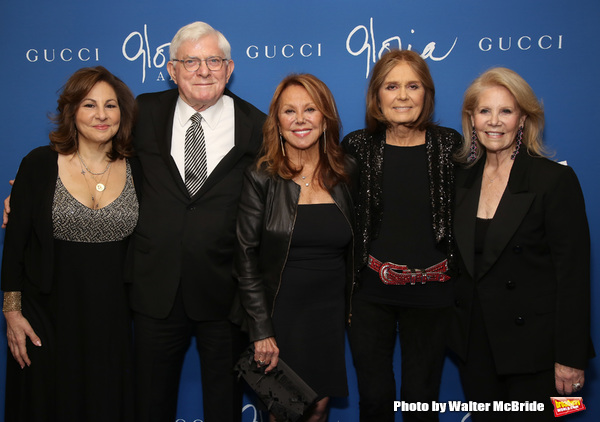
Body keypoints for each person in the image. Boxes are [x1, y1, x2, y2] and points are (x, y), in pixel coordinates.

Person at [129, 21, 265, 422]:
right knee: (149, 404)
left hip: (225, 291)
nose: (203, 70)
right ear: (172, 70)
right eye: (191, 61)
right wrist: (39, 185)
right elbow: (93, 147)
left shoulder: (257, 124)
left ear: (229, 67)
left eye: (213, 60)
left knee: (224, 404)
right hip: (156, 288)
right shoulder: (142, 112)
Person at [450, 67, 593, 421]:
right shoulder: (460, 180)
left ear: (523, 119)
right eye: (484, 111)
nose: (494, 122)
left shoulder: (554, 179)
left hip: (537, 353)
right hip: (476, 350)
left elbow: (573, 276)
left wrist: (571, 357)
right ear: (471, 119)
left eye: (506, 111)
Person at [1, 66, 139, 421]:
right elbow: (14, 246)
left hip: (112, 318)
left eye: (111, 105)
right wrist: (12, 313)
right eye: (89, 105)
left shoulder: (140, 167)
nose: (101, 115)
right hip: (45, 316)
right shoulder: (39, 164)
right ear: (72, 111)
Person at [342, 50, 460, 422]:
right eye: (391, 86)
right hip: (370, 293)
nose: (403, 96)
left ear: (427, 93)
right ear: (376, 95)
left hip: (432, 293)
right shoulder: (356, 146)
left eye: (413, 85)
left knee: (420, 401)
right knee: (375, 400)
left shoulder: (449, 145)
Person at [232, 74, 355, 422]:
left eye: (310, 109)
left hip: (328, 314)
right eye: (289, 111)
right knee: (283, 411)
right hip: (280, 314)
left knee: (319, 408)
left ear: (325, 116)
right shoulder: (261, 177)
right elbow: (245, 257)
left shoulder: (346, 172)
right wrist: (262, 331)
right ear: (278, 121)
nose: (300, 119)